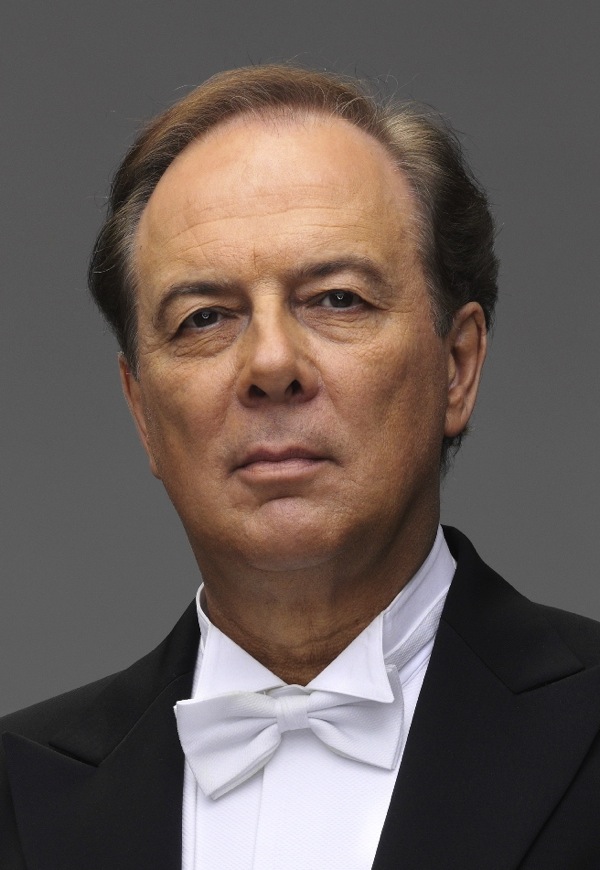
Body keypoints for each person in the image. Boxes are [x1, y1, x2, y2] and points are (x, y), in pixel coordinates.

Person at [1, 64, 599, 870]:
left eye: (337, 298)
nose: (272, 364)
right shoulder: (15, 796)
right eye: (204, 318)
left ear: (456, 366)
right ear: (142, 410)